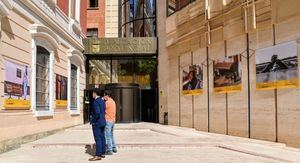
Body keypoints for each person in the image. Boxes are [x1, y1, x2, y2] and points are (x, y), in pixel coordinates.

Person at [89, 89, 106, 161]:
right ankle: (102, 153)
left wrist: (93, 121)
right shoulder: (102, 101)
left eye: (93, 93)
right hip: (102, 122)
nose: (92, 94)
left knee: (98, 139)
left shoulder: (95, 102)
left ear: (95, 93)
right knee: (102, 137)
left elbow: (97, 113)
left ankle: (98, 155)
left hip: (97, 123)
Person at [104, 90, 117, 155]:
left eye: (104, 95)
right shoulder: (113, 101)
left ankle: (109, 150)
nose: (104, 97)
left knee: (108, 136)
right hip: (113, 120)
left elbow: (102, 110)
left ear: (107, 95)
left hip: (108, 120)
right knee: (111, 135)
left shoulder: (107, 102)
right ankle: (114, 148)